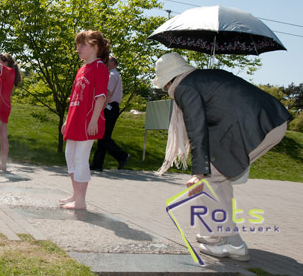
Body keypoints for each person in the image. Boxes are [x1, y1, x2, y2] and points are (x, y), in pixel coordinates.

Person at [153, 52, 292, 262]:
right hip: (273, 121)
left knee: (209, 180)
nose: (166, 91)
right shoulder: (203, 77)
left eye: (164, 87)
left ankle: (215, 240)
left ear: (168, 80)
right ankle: (232, 241)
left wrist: (198, 172)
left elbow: (197, 129)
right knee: (220, 178)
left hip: (256, 125)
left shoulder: (184, 88)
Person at [60, 30, 110, 210]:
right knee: (70, 157)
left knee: (81, 158)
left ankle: (81, 201)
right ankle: (75, 195)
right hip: (75, 119)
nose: (78, 48)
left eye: (83, 45)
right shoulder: (81, 69)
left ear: (95, 47)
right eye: (77, 45)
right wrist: (67, 120)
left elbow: (101, 97)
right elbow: (74, 97)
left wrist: (94, 121)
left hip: (88, 121)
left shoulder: (100, 68)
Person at [90, 56, 130, 171]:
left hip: (109, 107)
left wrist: (100, 109)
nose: (105, 64)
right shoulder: (115, 75)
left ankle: (122, 156)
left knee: (104, 135)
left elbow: (107, 93)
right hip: (112, 107)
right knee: (102, 136)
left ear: (113, 63)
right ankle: (97, 164)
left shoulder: (112, 76)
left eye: (107, 62)